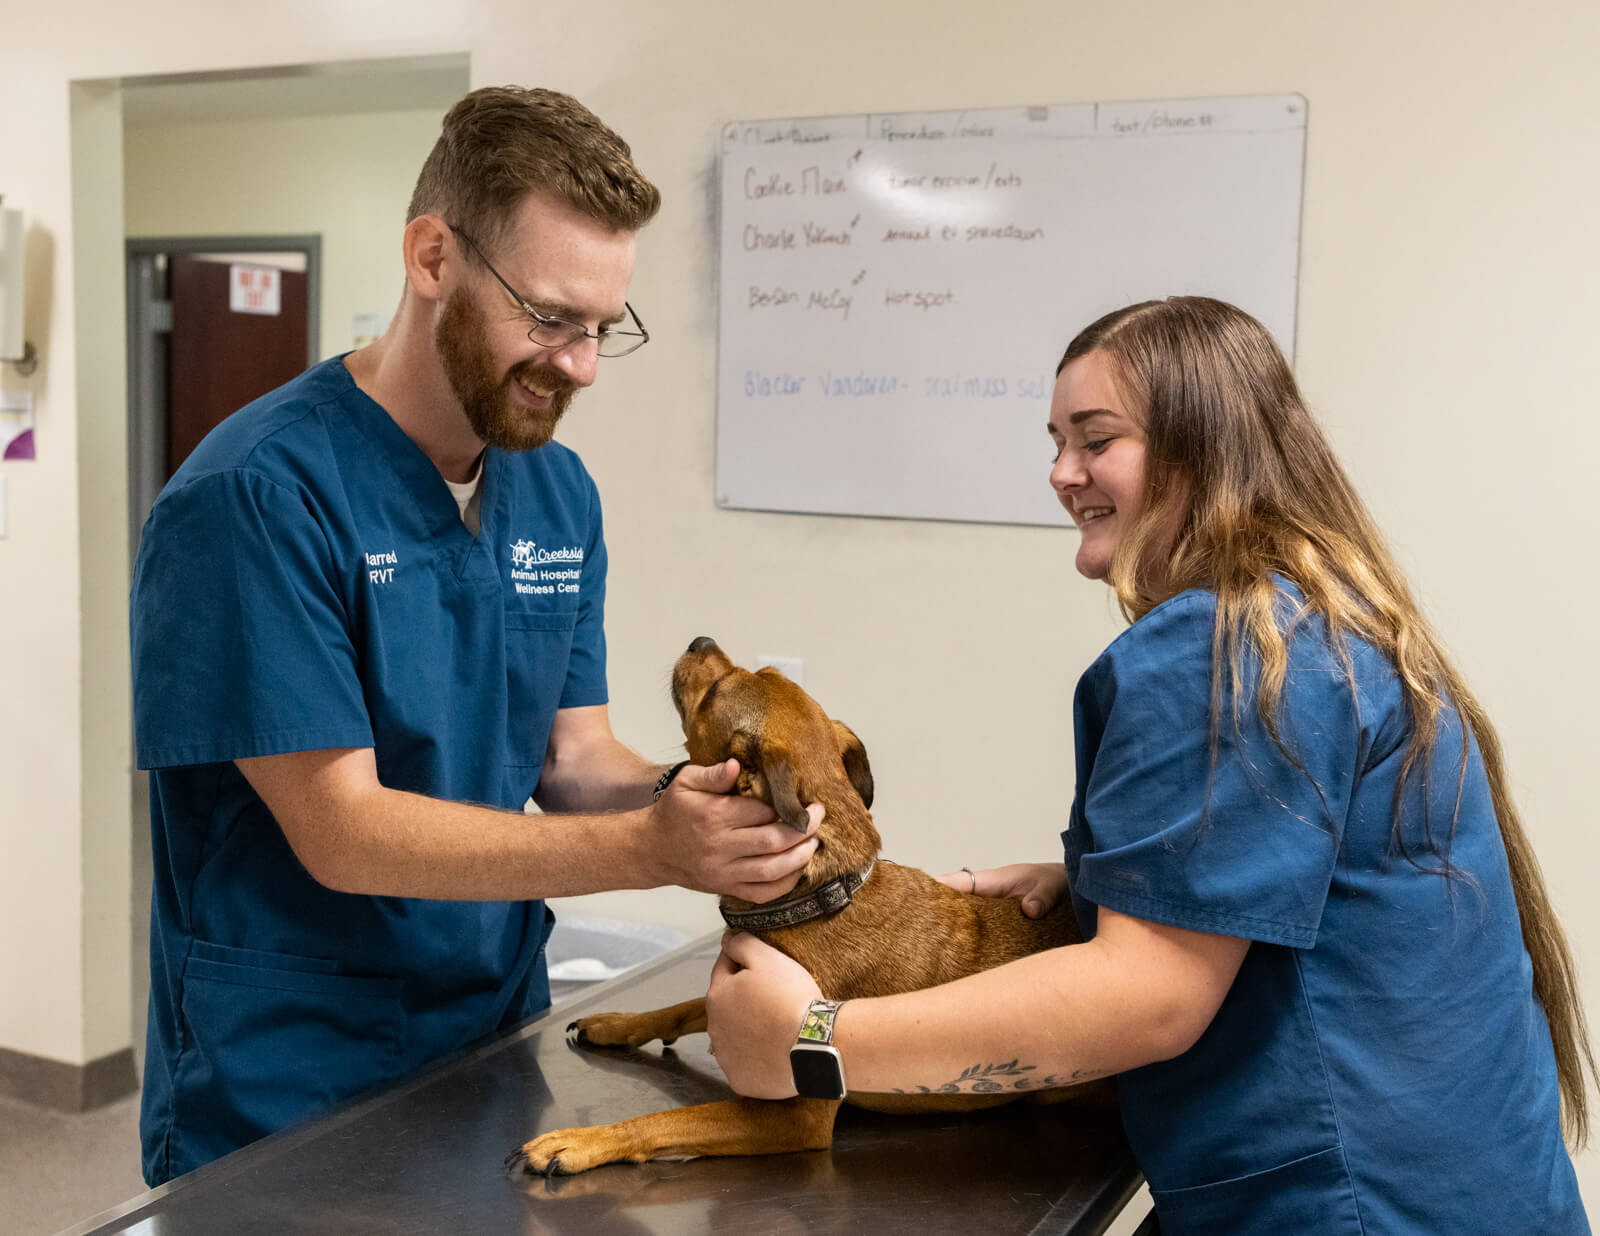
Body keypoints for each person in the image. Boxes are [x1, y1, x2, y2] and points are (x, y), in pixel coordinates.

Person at [705, 297, 1594, 1234]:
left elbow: (1145, 1001)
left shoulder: (1217, 650)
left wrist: (808, 1045)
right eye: (1054, 441)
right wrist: (1116, 883)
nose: (1060, 473)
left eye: (1096, 440)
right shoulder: (1325, 620)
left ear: (1199, 450)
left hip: (1348, 1207)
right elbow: (1326, 880)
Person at [129, 86, 819, 1186]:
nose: (581, 365)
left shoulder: (556, 492)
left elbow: (571, 760)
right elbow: (341, 831)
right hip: (289, 1070)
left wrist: (706, 801)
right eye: (549, 319)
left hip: (491, 1031)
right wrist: (649, 852)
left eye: (603, 329)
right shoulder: (253, 497)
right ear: (431, 257)